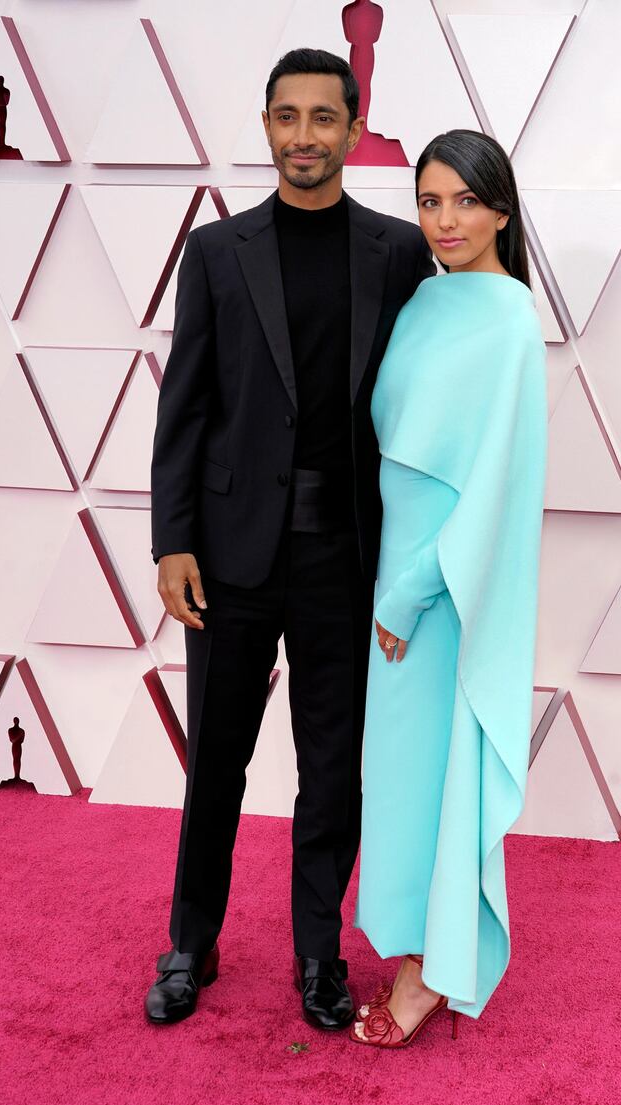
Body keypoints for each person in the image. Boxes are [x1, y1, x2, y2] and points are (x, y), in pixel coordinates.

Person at [146, 47, 434, 1030]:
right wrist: (171, 540)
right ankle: (191, 941)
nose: (303, 136)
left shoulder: (397, 252)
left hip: (344, 557)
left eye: (323, 118)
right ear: (265, 126)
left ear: (354, 131)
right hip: (227, 554)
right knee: (214, 759)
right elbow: (183, 409)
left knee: (331, 767)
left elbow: (421, 408)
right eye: (286, 117)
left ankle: (319, 956)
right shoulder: (216, 253)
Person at [351, 130, 547, 1048]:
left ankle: (432, 974)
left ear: (502, 206)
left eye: (465, 201)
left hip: (445, 595)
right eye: (429, 201)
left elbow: (490, 483)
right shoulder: (427, 300)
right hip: (396, 574)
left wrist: (409, 593)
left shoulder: (509, 316)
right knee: (398, 780)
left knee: (440, 775)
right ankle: (412, 951)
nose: (445, 220)